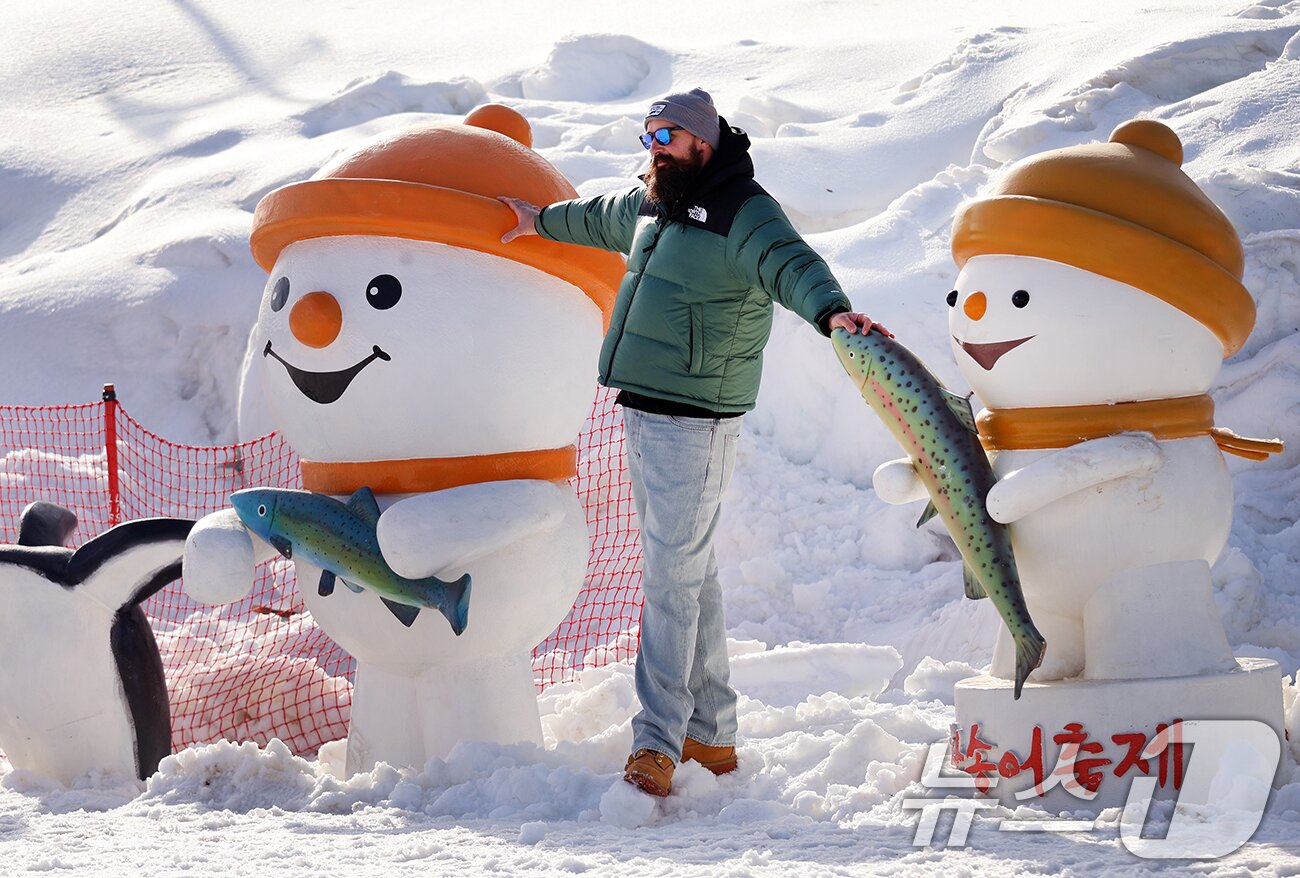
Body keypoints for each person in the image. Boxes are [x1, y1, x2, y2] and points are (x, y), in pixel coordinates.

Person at [499, 88, 889, 797]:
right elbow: (601, 217)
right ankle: (712, 734)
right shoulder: (656, 200)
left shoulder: (744, 210)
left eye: (668, 135)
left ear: (703, 142)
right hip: (646, 409)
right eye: (649, 134)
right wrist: (540, 222)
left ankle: (657, 743)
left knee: (670, 585)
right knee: (691, 576)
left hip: (697, 419)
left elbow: (791, 263)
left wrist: (833, 314)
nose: (654, 146)